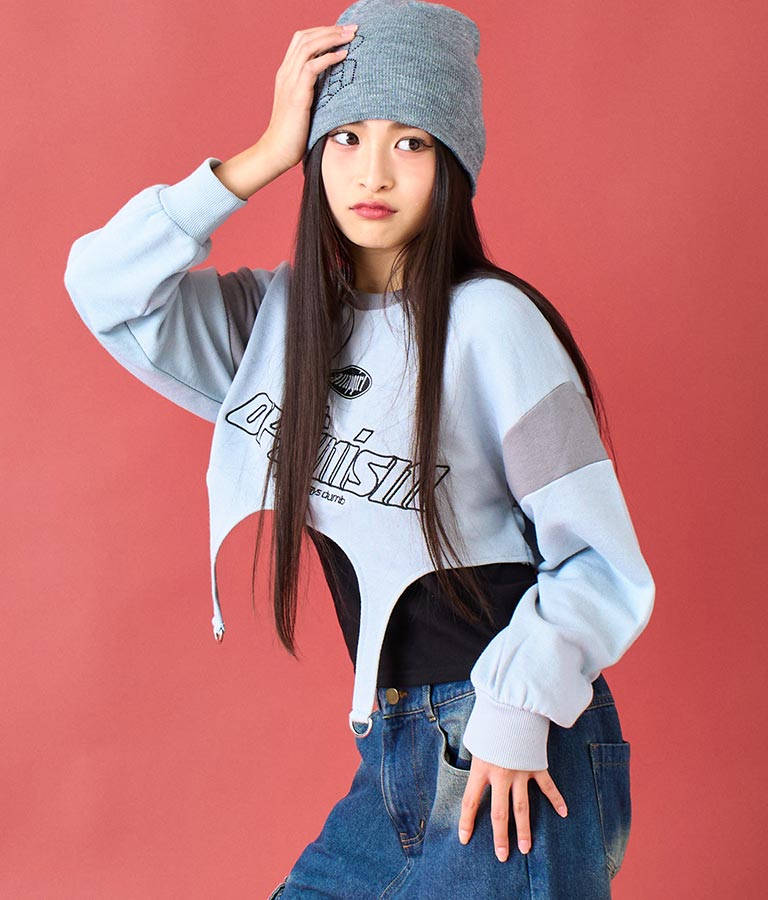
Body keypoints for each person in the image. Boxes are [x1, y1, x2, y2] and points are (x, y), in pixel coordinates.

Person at [64, 0, 655, 896]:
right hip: (392, 749)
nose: (372, 172)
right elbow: (102, 286)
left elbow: (601, 565)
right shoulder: (279, 330)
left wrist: (511, 714)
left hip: (508, 744)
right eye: (344, 137)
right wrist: (263, 155)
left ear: (452, 162)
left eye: (410, 142)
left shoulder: (492, 325)